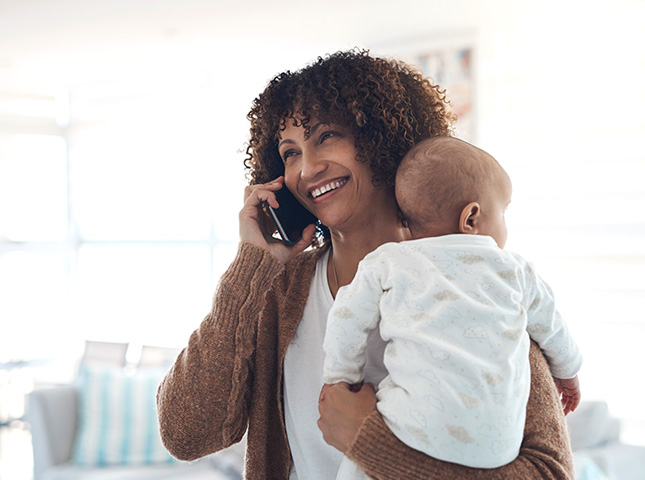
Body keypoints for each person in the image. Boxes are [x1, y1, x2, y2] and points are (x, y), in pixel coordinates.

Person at [156, 49, 575, 480]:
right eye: (290, 153)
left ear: (382, 140)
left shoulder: (477, 277)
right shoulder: (279, 292)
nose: (308, 168)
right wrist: (252, 267)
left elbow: (549, 472)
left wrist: (371, 444)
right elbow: (185, 434)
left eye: (326, 136)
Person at [322, 136, 582, 478]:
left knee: (357, 464)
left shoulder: (389, 262)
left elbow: (346, 318)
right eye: (503, 212)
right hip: (497, 447)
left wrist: (341, 378)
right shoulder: (513, 269)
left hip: (409, 428)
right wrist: (568, 371)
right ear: (471, 217)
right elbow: (552, 325)